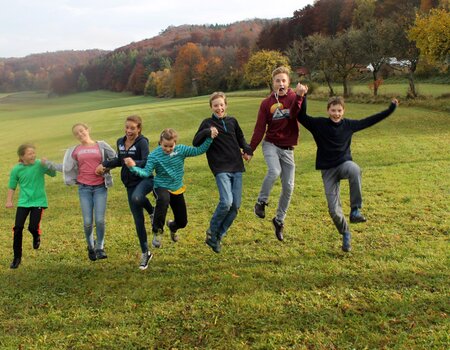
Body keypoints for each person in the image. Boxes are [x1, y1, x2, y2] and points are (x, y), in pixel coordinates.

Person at [293, 85, 399, 252]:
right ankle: (345, 232)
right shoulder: (319, 124)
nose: (336, 114)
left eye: (339, 110)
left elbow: (370, 120)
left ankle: (355, 210)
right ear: (328, 110)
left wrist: (390, 109)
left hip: (344, 164)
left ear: (343, 111)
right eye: (333, 110)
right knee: (333, 211)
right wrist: (303, 96)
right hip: (328, 170)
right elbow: (301, 116)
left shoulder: (349, 125)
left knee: (354, 169)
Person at [124, 127, 218, 249]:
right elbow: (146, 173)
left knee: (182, 222)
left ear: (175, 143)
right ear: (160, 142)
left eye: (170, 146)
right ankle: (157, 232)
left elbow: (198, 150)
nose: (168, 149)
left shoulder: (181, 150)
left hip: (177, 188)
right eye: (165, 146)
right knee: (163, 200)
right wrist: (133, 167)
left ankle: (173, 226)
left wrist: (210, 138)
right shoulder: (154, 156)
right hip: (161, 186)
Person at [248, 66, 305, 241]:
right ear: (272, 83)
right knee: (274, 171)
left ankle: (279, 220)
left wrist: (300, 96)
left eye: (283, 80)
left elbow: (295, 114)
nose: (280, 83)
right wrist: (250, 149)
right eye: (277, 80)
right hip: (271, 144)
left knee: (289, 187)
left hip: (288, 148)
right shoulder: (266, 103)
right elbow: (259, 128)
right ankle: (261, 202)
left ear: (288, 83)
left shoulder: (295, 98)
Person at [193, 91, 253, 253]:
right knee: (226, 202)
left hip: (237, 167)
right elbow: (195, 141)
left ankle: (217, 237)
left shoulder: (232, 121)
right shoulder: (207, 123)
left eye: (221, 104)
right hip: (220, 168)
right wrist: (207, 132)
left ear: (226, 105)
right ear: (211, 107)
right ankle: (212, 231)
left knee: (235, 206)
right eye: (215, 105)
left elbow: (241, 139)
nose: (219, 108)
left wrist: (248, 150)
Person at [100, 115, 155, 270]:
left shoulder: (143, 142)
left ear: (138, 129)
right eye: (127, 127)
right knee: (138, 221)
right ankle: (145, 253)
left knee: (138, 198)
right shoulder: (120, 142)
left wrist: (134, 163)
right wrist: (104, 164)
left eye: (132, 128)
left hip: (144, 179)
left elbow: (146, 161)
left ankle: (152, 211)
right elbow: (120, 160)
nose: (129, 131)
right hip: (129, 183)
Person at [55, 123, 116, 261]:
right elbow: (66, 168)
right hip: (84, 188)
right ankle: (90, 246)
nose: (80, 134)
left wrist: (105, 167)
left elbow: (115, 159)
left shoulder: (101, 145)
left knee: (100, 220)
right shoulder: (75, 150)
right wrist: (48, 165)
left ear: (88, 130)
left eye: (82, 131)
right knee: (88, 222)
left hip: (100, 187)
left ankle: (100, 247)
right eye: (77, 133)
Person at [6, 144, 56, 269]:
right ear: (22, 156)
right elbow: (12, 186)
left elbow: (53, 174)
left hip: (38, 201)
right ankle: (17, 257)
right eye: (30, 153)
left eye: (34, 152)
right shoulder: (16, 169)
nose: (33, 155)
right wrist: (9, 201)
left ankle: (36, 235)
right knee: (18, 228)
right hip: (23, 202)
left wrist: (47, 164)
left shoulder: (39, 164)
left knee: (32, 227)